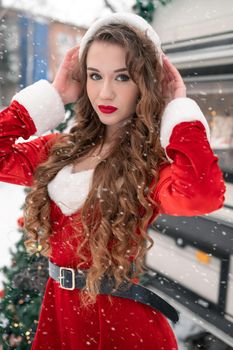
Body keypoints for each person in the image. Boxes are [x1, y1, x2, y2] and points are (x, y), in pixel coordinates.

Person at [0, 12, 226, 350]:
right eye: (95, 75)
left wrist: (178, 105)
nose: (104, 92)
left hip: (119, 326)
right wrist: (56, 93)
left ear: (144, 84)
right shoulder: (59, 150)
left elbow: (202, 194)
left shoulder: (147, 165)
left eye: (122, 77)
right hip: (60, 315)